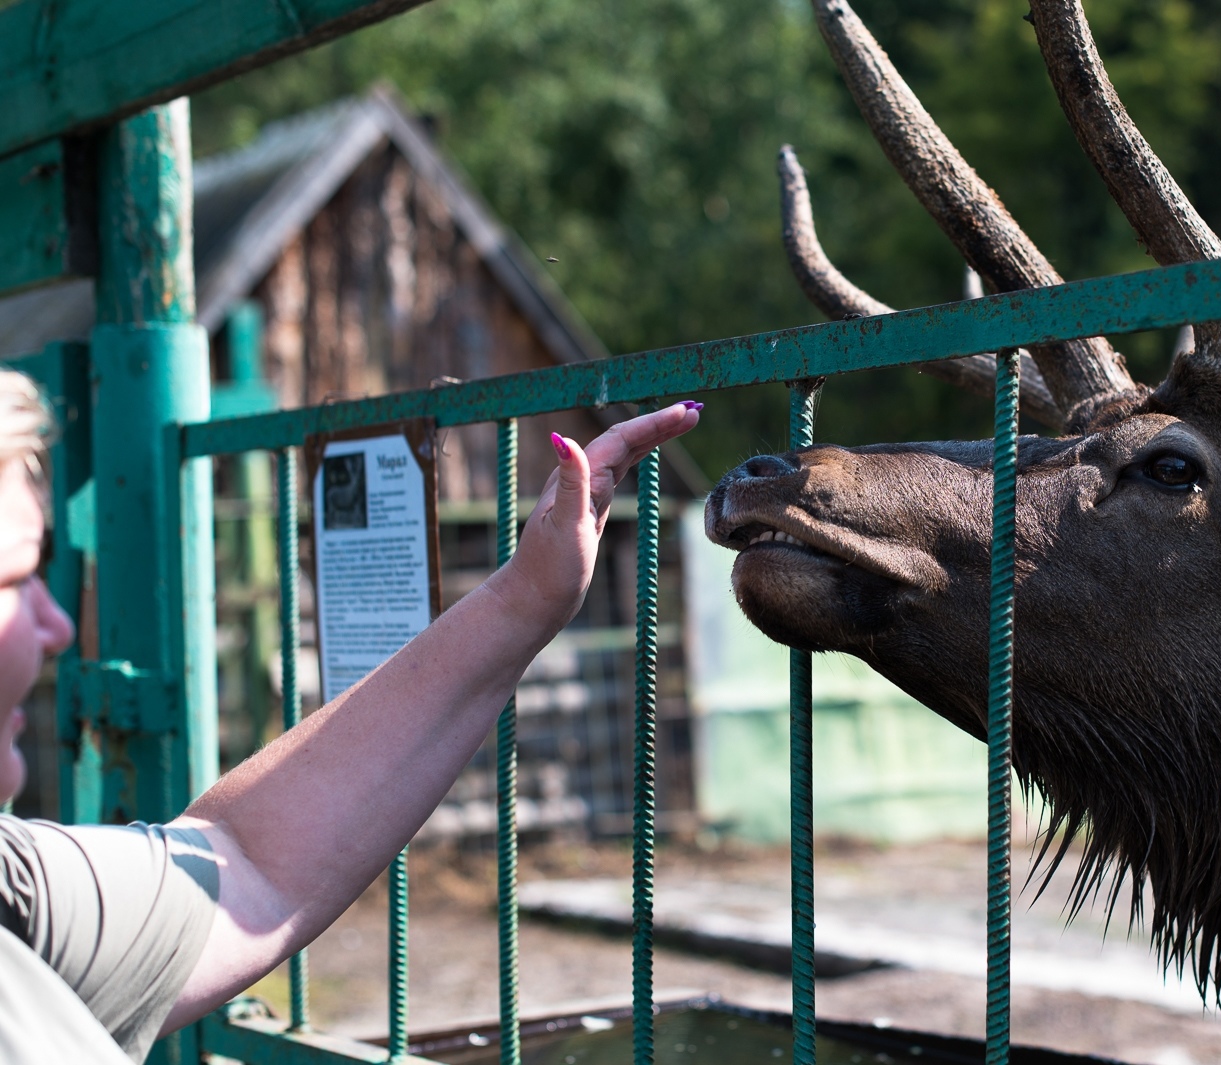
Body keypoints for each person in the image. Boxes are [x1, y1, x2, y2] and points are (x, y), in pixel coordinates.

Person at [0, 369, 701, 1061]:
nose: (55, 623)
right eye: (14, 575)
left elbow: (247, 863)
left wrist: (529, 596)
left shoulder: (15, 891)